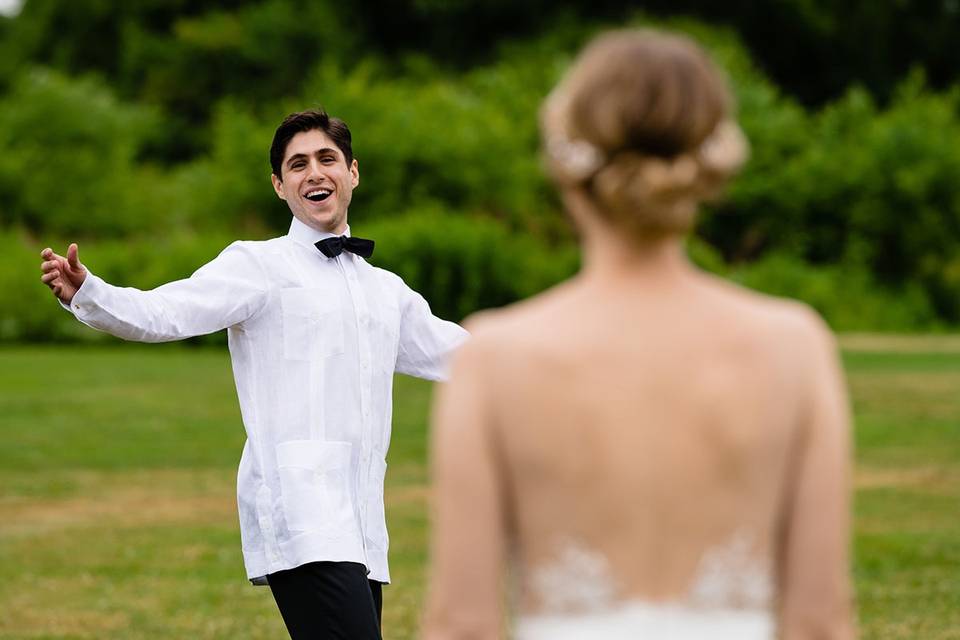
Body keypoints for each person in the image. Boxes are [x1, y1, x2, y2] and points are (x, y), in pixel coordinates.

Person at [423, 30, 854, 639]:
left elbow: (462, 626)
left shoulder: (494, 357)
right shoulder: (795, 347)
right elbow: (821, 623)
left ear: (569, 169)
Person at [40, 109, 468, 639]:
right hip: (300, 511)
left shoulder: (386, 291)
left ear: (353, 172)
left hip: (362, 523)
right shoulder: (258, 266)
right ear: (279, 185)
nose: (314, 172)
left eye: (327, 159)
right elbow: (167, 311)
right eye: (297, 164)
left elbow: (468, 356)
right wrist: (90, 292)